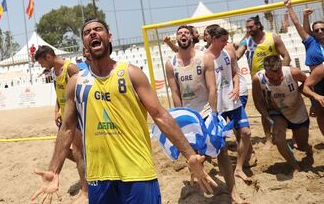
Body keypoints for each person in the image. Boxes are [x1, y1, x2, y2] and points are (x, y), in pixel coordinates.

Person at [31, 19, 218, 204]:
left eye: (98, 29)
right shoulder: (77, 82)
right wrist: (54, 170)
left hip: (138, 173)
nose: (93, 33)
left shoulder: (131, 73)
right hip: (99, 176)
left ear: (109, 37)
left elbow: (160, 115)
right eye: (87, 32)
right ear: (85, 44)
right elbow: (67, 128)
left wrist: (190, 155)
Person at [165, 25, 246, 203]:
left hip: (206, 110)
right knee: (192, 153)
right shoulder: (171, 63)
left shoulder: (204, 58)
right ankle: (197, 186)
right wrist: (181, 118)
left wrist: (215, 114)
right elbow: (175, 94)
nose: (183, 35)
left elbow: (212, 88)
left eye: (186, 32)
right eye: (179, 33)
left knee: (221, 148)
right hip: (188, 113)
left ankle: (233, 191)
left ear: (191, 37)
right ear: (176, 38)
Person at [34, 45, 88, 203]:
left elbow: (81, 91)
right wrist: (57, 110)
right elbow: (59, 94)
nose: (42, 66)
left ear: (49, 57)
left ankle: (85, 191)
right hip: (64, 117)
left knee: (77, 152)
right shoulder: (54, 72)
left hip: (75, 117)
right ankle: (88, 169)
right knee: (64, 151)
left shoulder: (70, 68)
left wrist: (77, 115)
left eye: (41, 62)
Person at [205, 26, 253, 184]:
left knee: (246, 132)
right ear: (213, 38)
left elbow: (234, 72)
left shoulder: (228, 52)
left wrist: (237, 87)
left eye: (227, 40)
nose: (226, 43)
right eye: (223, 40)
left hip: (232, 100)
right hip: (216, 105)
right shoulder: (204, 57)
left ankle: (238, 168)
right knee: (218, 141)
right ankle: (208, 169)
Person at [236, 15, 291, 149]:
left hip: (276, 79)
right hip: (258, 81)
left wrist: (280, 73)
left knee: (285, 106)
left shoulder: (272, 37)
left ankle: (291, 135)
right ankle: (268, 138)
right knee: (264, 110)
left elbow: (286, 56)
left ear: (259, 26)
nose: (249, 29)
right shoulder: (247, 42)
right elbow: (237, 55)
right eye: (247, 27)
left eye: (251, 27)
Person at [252, 55, 313, 173]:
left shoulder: (293, 72)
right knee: (279, 139)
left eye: (278, 75)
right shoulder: (258, 79)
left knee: (301, 146)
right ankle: (295, 166)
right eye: (271, 77)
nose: (275, 79)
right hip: (277, 112)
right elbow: (258, 101)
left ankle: (308, 149)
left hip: (296, 110)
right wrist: (266, 115)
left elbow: (308, 84)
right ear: (266, 71)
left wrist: (313, 102)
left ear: (281, 68)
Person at [285, 0, 324, 135]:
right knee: (321, 114)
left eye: (322, 29)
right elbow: (297, 24)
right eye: (317, 30)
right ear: (313, 32)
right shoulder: (310, 42)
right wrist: (289, 8)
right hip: (316, 82)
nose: (320, 31)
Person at [303, 64, 324, 135]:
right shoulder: (321, 70)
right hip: (321, 102)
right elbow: (305, 87)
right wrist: (316, 96)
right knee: (321, 115)